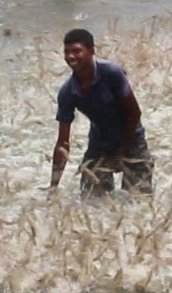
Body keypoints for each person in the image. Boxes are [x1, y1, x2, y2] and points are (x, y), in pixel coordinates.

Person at [48, 28, 153, 197]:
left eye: (77, 51)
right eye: (67, 52)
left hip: (132, 138)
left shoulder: (111, 73)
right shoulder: (67, 93)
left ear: (91, 51)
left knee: (138, 200)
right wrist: (53, 186)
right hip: (100, 143)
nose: (70, 57)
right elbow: (63, 144)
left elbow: (134, 113)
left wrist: (122, 152)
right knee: (91, 201)